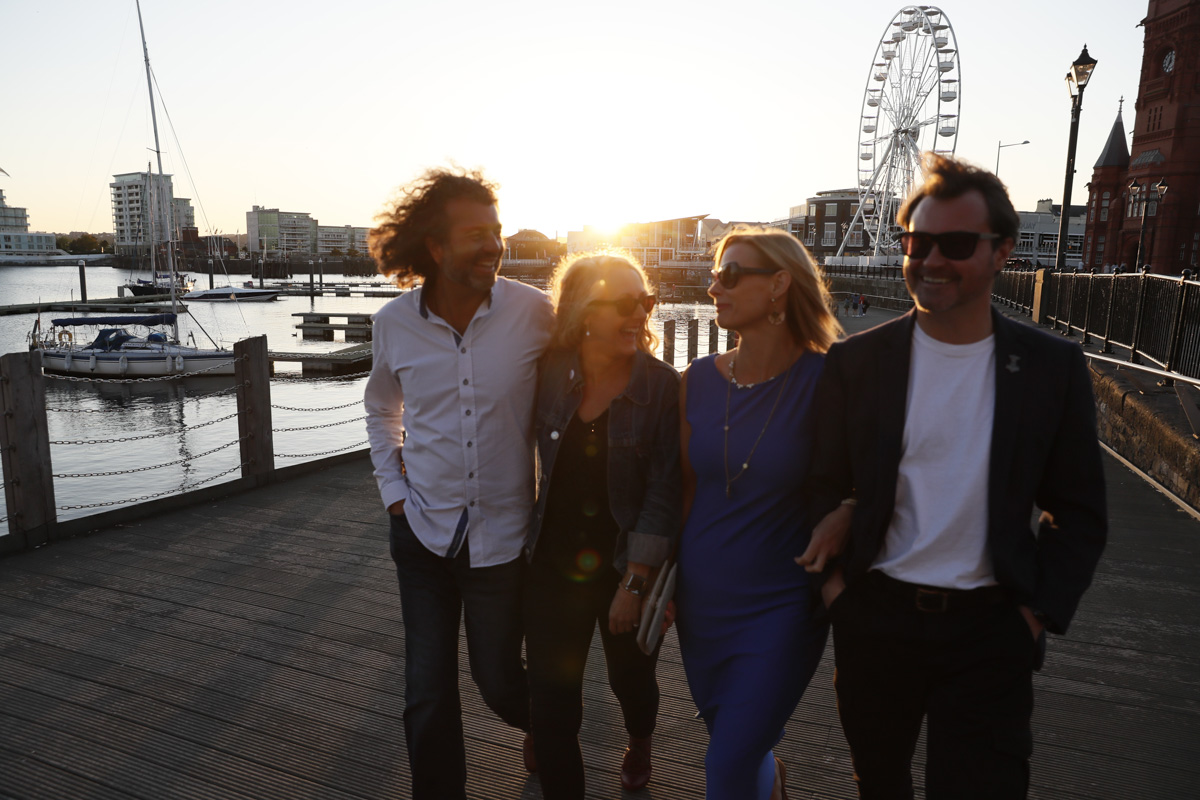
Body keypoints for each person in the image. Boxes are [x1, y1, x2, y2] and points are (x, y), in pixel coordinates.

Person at [803, 153, 1108, 799]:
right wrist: (839, 596)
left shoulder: (1051, 369)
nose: (931, 260)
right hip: (876, 619)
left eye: (957, 244)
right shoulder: (857, 362)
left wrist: (1034, 615)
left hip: (989, 631)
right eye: (916, 242)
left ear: (1001, 253)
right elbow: (817, 481)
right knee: (878, 783)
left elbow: (1078, 511)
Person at [363, 167, 554, 800]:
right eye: (476, 234)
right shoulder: (394, 324)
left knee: (498, 680)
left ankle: (549, 728)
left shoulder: (534, 313)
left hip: (501, 540)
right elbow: (380, 408)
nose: (493, 245)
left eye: (496, 232)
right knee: (427, 691)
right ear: (436, 248)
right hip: (420, 533)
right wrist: (392, 490)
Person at [677, 226, 843, 800]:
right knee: (735, 742)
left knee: (723, 769)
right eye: (713, 275)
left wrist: (849, 509)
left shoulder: (828, 379)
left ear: (778, 284)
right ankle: (770, 780)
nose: (714, 287)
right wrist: (659, 577)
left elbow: (882, 469)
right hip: (702, 603)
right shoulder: (695, 381)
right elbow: (681, 488)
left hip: (781, 605)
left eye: (730, 274)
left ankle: (760, 775)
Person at [524, 251, 682, 799]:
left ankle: (640, 740)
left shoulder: (662, 387)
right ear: (584, 312)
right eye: (624, 303)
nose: (640, 314)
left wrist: (637, 582)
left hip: (622, 564)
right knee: (552, 698)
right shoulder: (548, 373)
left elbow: (665, 489)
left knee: (631, 683)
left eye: (646, 301)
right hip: (550, 565)